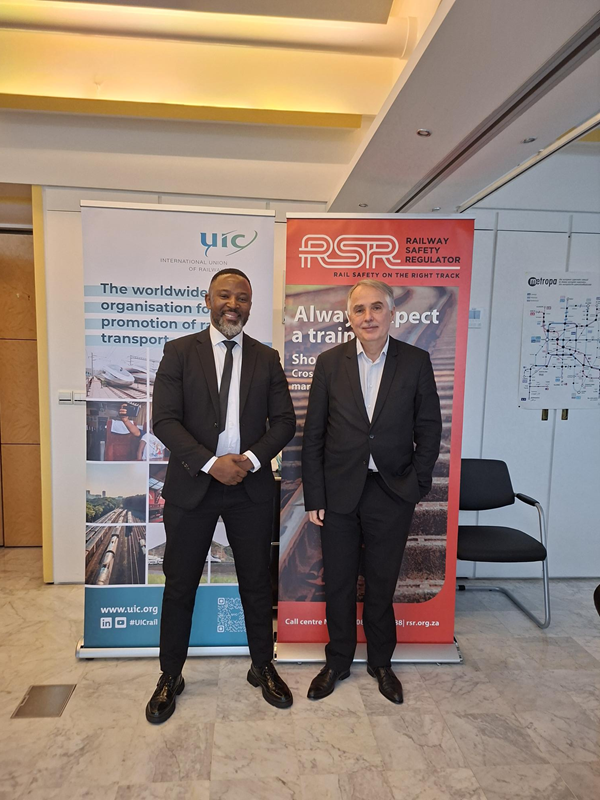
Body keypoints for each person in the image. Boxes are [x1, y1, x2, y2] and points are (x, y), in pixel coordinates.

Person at [146, 268, 296, 723]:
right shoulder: (179, 352)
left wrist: (248, 460)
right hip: (193, 484)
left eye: (242, 298)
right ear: (208, 299)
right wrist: (212, 463)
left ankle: (262, 665)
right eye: (225, 295)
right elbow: (164, 420)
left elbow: (284, 422)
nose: (233, 304)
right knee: (180, 584)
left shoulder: (266, 358)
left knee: (255, 582)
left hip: (249, 487)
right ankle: (170, 675)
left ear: (250, 305)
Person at [302, 279, 441, 704]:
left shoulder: (415, 361)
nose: (368, 317)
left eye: (376, 307)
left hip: (391, 490)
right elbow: (313, 435)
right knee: (340, 583)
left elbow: (429, 428)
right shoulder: (329, 363)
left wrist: (416, 484)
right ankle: (338, 662)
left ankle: (381, 663)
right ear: (349, 317)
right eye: (359, 309)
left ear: (392, 313)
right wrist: (315, 497)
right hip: (339, 492)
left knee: (381, 583)